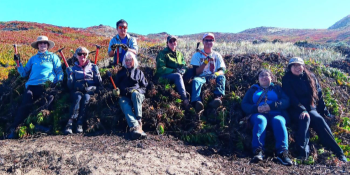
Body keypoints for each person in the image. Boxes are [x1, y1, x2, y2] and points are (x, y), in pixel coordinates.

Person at [282, 57, 347, 162]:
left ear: (303, 66)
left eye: (299, 65)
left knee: (319, 119)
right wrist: (302, 110)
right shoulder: (286, 79)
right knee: (304, 119)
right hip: (295, 109)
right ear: (290, 68)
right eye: (294, 65)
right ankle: (303, 154)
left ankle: (339, 153)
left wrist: (325, 112)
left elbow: (319, 96)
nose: (297, 68)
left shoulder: (311, 77)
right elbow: (291, 97)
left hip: (310, 108)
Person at [7, 36, 63, 139]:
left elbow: (59, 71)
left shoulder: (53, 57)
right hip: (32, 85)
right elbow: (24, 74)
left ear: (47, 45)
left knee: (48, 101)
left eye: (44, 43)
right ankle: (14, 128)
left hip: (48, 85)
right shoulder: (33, 59)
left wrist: (59, 81)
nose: (42, 45)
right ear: (37, 45)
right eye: (40, 43)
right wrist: (18, 63)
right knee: (26, 101)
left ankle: (40, 125)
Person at [241, 69, 292, 166]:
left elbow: (286, 101)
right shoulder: (253, 89)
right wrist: (256, 108)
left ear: (271, 78)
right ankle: (258, 151)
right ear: (258, 79)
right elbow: (244, 104)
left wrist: (271, 106)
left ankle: (282, 153)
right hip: (258, 114)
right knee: (261, 119)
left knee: (279, 121)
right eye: (261, 75)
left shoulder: (277, 88)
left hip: (276, 113)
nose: (264, 77)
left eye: (266, 75)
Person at [64, 47, 103, 134]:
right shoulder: (73, 69)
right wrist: (69, 78)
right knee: (78, 97)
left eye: (84, 54)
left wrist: (97, 73)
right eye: (80, 54)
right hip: (77, 89)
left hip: (90, 89)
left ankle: (80, 123)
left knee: (86, 98)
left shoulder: (93, 66)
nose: (82, 56)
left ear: (87, 55)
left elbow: (99, 83)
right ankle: (70, 123)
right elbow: (70, 86)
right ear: (76, 56)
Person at [112, 52, 148, 140]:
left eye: (130, 60)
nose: (128, 62)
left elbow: (145, 87)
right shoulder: (121, 73)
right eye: (126, 60)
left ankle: (139, 121)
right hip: (124, 96)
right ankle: (135, 127)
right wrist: (115, 91)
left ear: (133, 60)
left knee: (135, 94)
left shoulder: (139, 72)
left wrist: (137, 91)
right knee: (124, 105)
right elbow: (115, 86)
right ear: (124, 61)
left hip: (137, 95)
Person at [190, 33, 226, 112]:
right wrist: (205, 62)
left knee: (222, 77)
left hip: (213, 76)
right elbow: (196, 72)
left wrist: (216, 74)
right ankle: (196, 101)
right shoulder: (197, 55)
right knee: (196, 81)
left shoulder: (217, 55)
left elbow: (222, 70)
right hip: (201, 77)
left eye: (211, 40)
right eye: (206, 40)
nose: (209, 42)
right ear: (203, 41)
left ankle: (218, 98)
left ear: (213, 42)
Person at [155, 35, 189, 108]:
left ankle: (196, 100)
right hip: (164, 76)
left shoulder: (180, 54)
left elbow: (184, 65)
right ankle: (185, 99)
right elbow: (160, 68)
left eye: (174, 41)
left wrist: (183, 70)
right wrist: (174, 71)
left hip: (179, 73)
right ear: (167, 43)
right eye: (170, 41)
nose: (173, 42)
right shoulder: (162, 53)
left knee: (191, 71)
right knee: (177, 76)